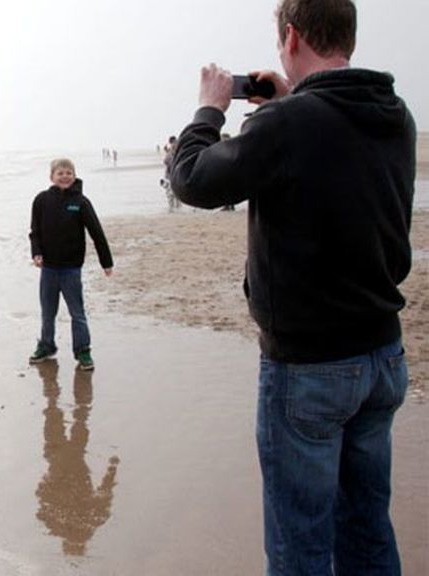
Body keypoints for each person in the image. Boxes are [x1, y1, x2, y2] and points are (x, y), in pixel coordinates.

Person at [167, 1, 415, 574]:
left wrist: (209, 109)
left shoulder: (289, 125)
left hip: (309, 370)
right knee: (367, 531)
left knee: (299, 545)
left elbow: (193, 179)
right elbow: (329, 151)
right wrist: (287, 103)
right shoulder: (393, 114)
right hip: (382, 356)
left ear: (292, 37)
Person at [28, 158, 113, 371]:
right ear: (52, 177)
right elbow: (34, 231)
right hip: (48, 269)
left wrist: (106, 262)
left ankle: (83, 351)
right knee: (48, 312)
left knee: (77, 312)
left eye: (69, 173)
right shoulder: (41, 200)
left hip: (71, 269)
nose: (65, 176)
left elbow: (97, 233)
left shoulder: (81, 202)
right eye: (60, 173)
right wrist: (36, 252)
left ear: (74, 176)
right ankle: (46, 346)